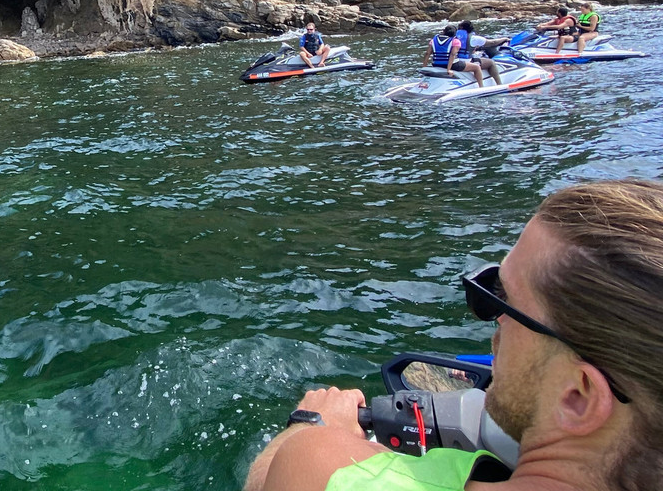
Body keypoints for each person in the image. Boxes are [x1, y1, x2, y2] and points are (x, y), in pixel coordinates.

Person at [245, 178, 663, 491]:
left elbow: (271, 476)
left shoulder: (320, 466)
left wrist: (310, 425)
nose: (493, 320)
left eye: (504, 303)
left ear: (579, 396)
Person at [455, 20, 502, 88]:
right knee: (491, 62)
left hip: (454, 61)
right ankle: (499, 85)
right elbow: (493, 42)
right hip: (466, 62)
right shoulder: (474, 38)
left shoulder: (453, 36)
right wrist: (504, 39)